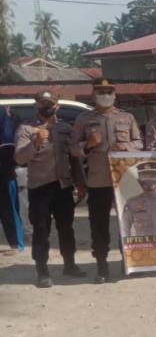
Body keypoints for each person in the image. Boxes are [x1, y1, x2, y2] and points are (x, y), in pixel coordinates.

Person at [71, 78, 143, 283]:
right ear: (93, 94)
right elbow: (73, 149)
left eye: (108, 91)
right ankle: (102, 266)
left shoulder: (127, 118)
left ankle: (126, 262)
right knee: (99, 226)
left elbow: (139, 143)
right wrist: (88, 144)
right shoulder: (83, 119)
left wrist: (126, 147)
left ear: (114, 94)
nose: (105, 94)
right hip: (97, 181)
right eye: (100, 91)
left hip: (123, 181)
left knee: (126, 224)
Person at [14, 91, 86, 287]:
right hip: (40, 188)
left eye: (50, 103)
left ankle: (70, 265)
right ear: (36, 106)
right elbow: (20, 158)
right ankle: (42, 272)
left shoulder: (65, 128)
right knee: (41, 230)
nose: (47, 107)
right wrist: (34, 143)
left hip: (63, 187)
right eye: (42, 103)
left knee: (66, 228)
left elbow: (74, 158)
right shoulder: (26, 129)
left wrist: (80, 183)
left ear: (57, 106)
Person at [0, 105, 24, 256]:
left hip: (4, 171)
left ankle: (16, 244)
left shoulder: (3, 113)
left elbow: (8, 143)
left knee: (9, 208)